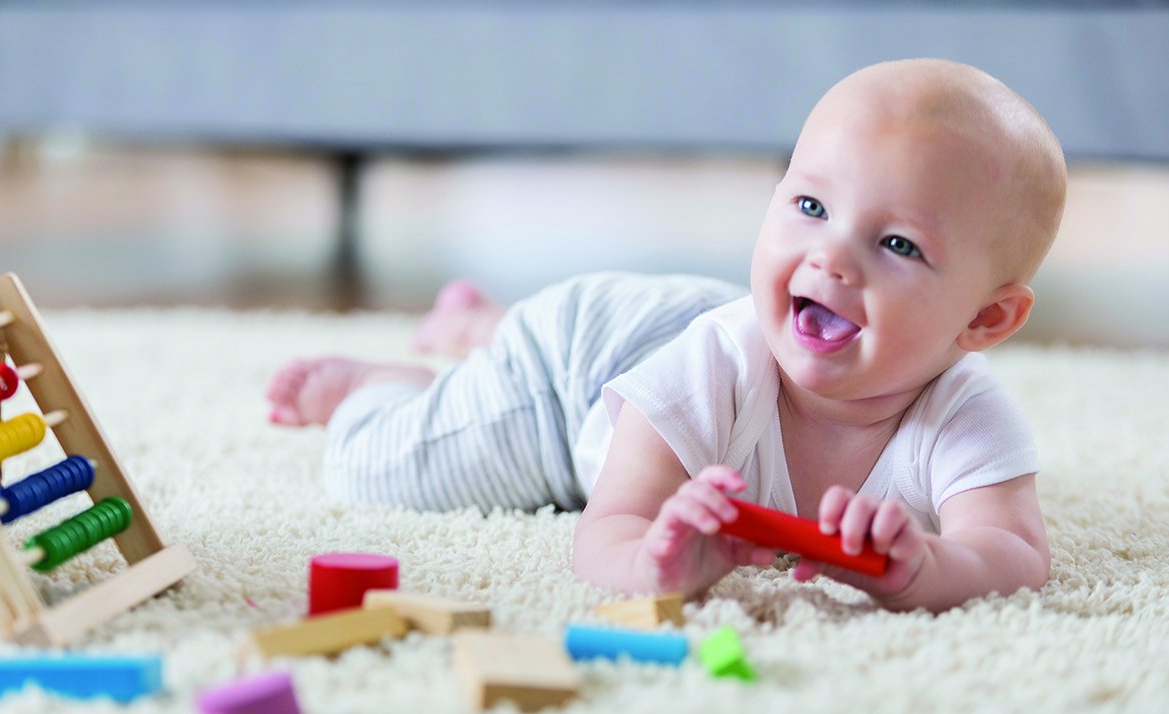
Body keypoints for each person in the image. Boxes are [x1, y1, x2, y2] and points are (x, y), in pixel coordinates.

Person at [266, 58, 1067, 612]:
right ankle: (387, 382)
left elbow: (1014, 555)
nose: (829, 258)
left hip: (676, 327)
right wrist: (656, 564)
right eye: (810, 208)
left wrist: (928, 570)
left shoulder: (965, 415)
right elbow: (605, 529)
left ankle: (482, 327)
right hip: (574, 374)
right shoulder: (713, 367)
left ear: (985, 319)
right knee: (380, 470)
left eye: (897, 245)